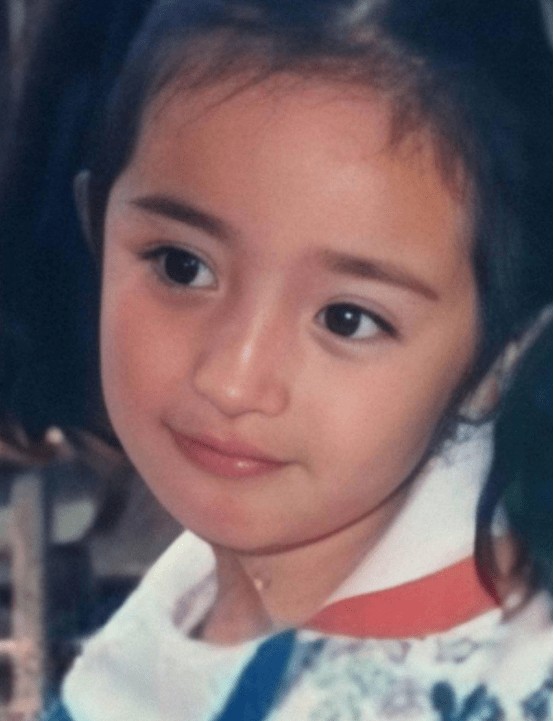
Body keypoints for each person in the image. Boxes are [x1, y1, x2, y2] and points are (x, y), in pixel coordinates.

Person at [42, 0, 552, 719]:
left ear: (500, 358)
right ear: (96, 228)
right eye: (182, 266)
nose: (232, 380)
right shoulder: (218, 578)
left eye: (347, 319)